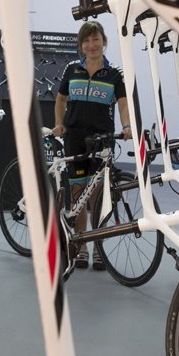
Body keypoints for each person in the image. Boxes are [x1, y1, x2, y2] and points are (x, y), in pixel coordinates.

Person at [51, 20, 133, 270]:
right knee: (77, 194)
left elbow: (122, 102)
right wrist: (59, 123)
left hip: (101, 139)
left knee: (97, 196)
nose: (91, 44)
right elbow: (60, 99)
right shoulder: (71, 69)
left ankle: (99, 248)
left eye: (95, 39)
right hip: (74, 137)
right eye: (86, 40)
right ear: (81, 45)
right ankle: (82, 246)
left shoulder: (114, 73)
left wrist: (127, 126)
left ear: (103, 42)